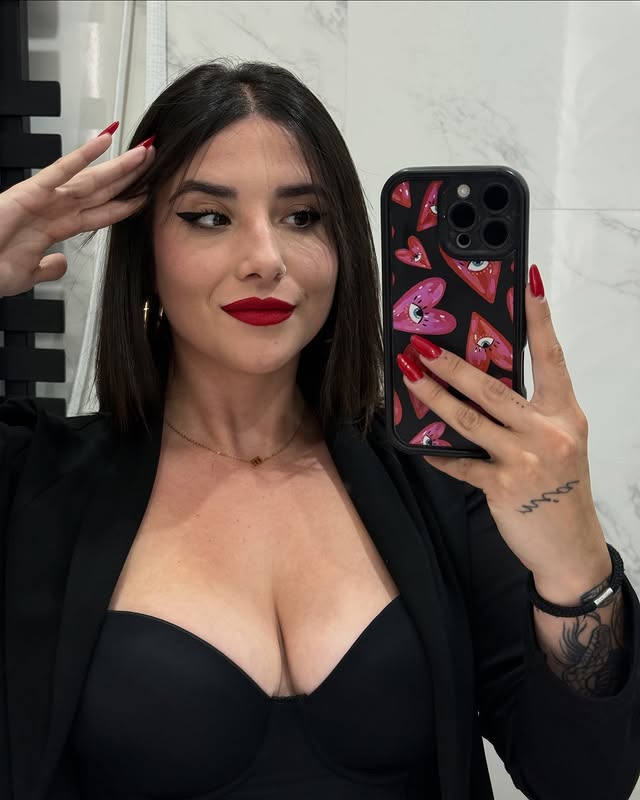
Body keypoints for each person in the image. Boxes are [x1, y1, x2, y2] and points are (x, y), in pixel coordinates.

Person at [0, 60, 638, 800]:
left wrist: (576, 567)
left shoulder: (444, 480)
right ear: (144, 249)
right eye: (209, 216)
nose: (265, 259)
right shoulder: (31, 482)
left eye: (302, 217)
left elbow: (584, 780)